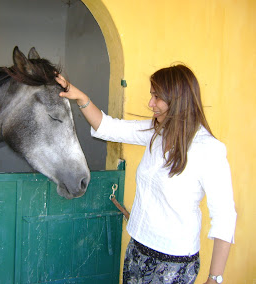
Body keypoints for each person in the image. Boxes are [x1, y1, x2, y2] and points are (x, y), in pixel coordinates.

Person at [56, 64, 236, 284]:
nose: (151, 104)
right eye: (152, 96)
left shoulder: (208, 149)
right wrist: (80, 97)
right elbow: (110, 127)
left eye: (157, 97)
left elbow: (225, 217)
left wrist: (214, 278)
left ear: (178, 99)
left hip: (174, 262)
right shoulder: (157, 132)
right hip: (138, 249)